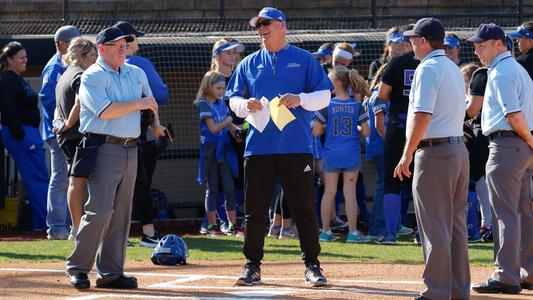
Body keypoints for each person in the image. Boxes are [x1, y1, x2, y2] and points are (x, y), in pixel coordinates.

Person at [227, 7, 333, 287]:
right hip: (258, 148)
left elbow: (324, 96)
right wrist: (243, 106)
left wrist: (300, 99)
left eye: (266, 24)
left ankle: (312, 265)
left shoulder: (305, 60)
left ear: (282, 26)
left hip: (297, 147)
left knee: (303, 208)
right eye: (258, 25)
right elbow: (233, 99)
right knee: (255, 210)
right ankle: (252, 266)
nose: (261, 29)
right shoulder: (248, 63)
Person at [66, 26, 159, 290]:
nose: (124, 48)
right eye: (117, 45)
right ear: (102, 49)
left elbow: (151, 102)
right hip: (103, 147)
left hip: (131, 147)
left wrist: (156, 123)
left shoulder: (136, 72)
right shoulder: (92, 75)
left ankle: (111, 273)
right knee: (99, 210)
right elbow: (105, 111)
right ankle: (78, 267)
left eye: (125, 44)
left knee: (121, 215)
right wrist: (137, 104)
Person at [397, 17, 470, 300]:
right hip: (457, 150)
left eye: (414, 38)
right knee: (455, 226)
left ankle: (437, 292)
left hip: (435, 152)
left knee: (435, 225)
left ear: (424, 41)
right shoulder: (451, 67)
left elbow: (422, 115)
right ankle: (457, 291)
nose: (411, 43)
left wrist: (407, 153)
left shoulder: (427, 68)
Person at [468, 23, 533, 295]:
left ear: (499, 44)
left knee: (505, 213)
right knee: (524, 213)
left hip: (508, 144)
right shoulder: (518, 69)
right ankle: (528, 272)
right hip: (522, 147)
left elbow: (513, 115)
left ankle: (506, 275)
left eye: (482, 45)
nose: (477, 50)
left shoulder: (500, 71)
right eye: (475, 45)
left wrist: (529, 140)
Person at [114, 20, 169, 248]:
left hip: (111, 134)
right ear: (127, 40)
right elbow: (161, 94)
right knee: (141, 184)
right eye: (135, 37)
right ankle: (148, 233)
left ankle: (118, 235)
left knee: (115, 186)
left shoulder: (105, 66)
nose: (138, 41)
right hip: (137, 134)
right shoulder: (138, 63)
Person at [313, 66, 371, 243]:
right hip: (351, 153)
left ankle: (325, 232)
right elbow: (367, 132)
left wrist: (325, 127)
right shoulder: (356, 105)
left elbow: (315, 132)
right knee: (350, 193)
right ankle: (353, 233)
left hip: (332, 153)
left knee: (329, 192)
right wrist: (357, 128)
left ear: (337, 83)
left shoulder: (326, 104)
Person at [0, 42, 49, 231]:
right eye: (21, 58)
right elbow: (9, 109)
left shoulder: (16, 78)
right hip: (22, 134)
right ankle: (46, 223)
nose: (25, 61)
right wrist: (20, 134)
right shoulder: (8, 80)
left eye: (26, 57)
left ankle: (43, 222)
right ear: (10, 60)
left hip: (28, 133)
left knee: (39, 178)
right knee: (37, 179)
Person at [377, 26, 418, 244]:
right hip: (423, 129)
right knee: (422, 182)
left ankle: (391, 233)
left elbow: (382, 96)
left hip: (398, 126)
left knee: (392, 180)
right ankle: (421, 234)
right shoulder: (433, 64)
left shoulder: (397, 63)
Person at [40, 25, 81, 240]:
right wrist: (62, 123)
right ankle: (56, 228)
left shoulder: (68, 64)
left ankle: (66, 226)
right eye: (74, 40)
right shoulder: (55, 66)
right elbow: (47, 99)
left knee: (72, 177)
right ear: (62, 44)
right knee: (60, 178)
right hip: (59, 131)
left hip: (70, 130)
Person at [54, 37, 97, 241]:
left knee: (75, 181)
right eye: (92, 55)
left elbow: (57, 107)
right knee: (82, 182)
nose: (95, 59)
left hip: (67, 137)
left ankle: (76, 228)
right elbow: (79, 102)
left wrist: (60, 125)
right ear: (81, 56)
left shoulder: (64, 74)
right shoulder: (81, 75)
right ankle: (80, 228)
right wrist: (69, 124)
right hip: (77, 135)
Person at [195, 70, 239, 237]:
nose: (222, 91)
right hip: (210, 152)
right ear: (209, 87)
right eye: (219, 88)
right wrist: (229, 121)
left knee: (229, 188)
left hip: (225, 151)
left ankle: (232, 225)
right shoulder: (203, 103)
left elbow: (230, 126)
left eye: (223, 88)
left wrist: (237, 132)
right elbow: (213, 128)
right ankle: (213, 226)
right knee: (212, 189)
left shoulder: (222, 102)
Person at [365, 64, 388, 239]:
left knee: (385, 186)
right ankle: (377, 228)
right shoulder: (380, 96)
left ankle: (383, 225)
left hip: (375, 145)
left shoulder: (373, 94)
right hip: (382, 146)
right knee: (384, 186)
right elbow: (382, 125)